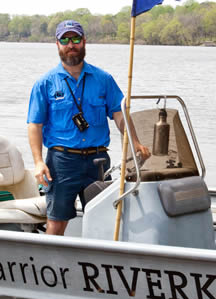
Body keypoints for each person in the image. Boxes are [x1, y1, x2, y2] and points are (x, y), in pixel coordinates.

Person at [27, 19, 150, 235]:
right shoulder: (44, 83)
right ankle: (53, 265)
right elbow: (34, 125)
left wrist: (136, 142)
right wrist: (38, 162)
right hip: (62, 162)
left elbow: (120, 115)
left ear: (84, 41)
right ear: (57, 44)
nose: (71, 44)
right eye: (65, 39)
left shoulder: (103, 79)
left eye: (75, 39)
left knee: (106, 219)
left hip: (98, 162)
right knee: (57, 221)